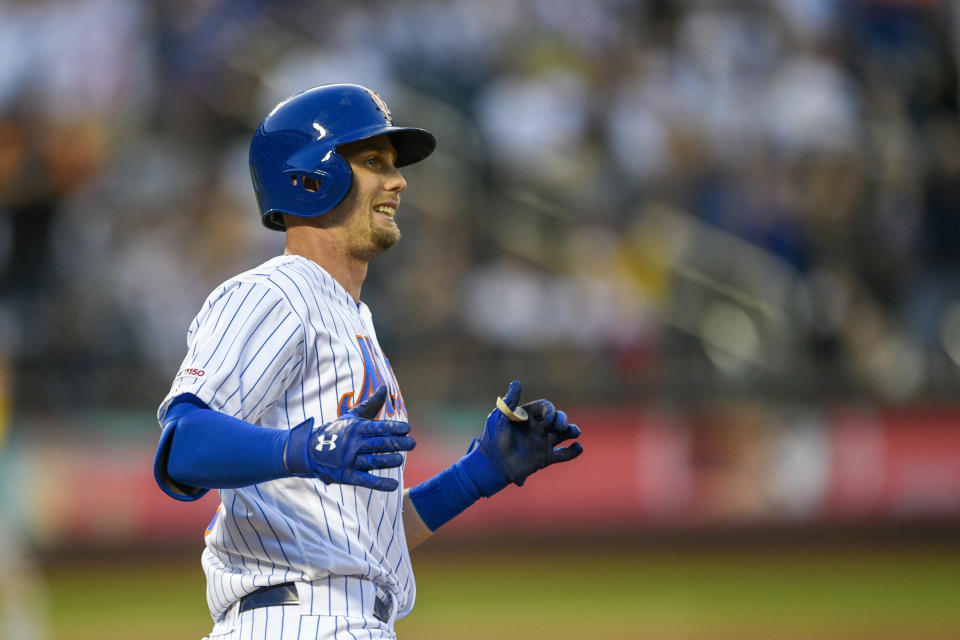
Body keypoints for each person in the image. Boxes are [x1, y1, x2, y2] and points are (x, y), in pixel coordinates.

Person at [153, 83, 583, 640]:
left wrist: (479, 474)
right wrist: (300, 448)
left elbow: (364, 544)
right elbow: (181, 445)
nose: (399, 180)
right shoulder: (276, 292)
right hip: (295, 621)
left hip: (344, 619)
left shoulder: (352, 318)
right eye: (374, 161)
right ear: (312, 176)